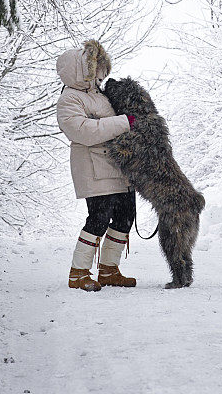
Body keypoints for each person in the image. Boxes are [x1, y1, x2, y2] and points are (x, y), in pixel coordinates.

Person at [56, 39, 137, 291]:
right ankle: (78, 272)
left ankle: (109, 269)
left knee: (125, 216)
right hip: (93, 169)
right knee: (99, 218)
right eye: (97, 68)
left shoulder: (99, 96)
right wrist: (125, 123)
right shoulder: (70, 99)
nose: (102, 74)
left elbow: (103, 125)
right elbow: (83, 131)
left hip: (116, 167)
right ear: (85, 69)